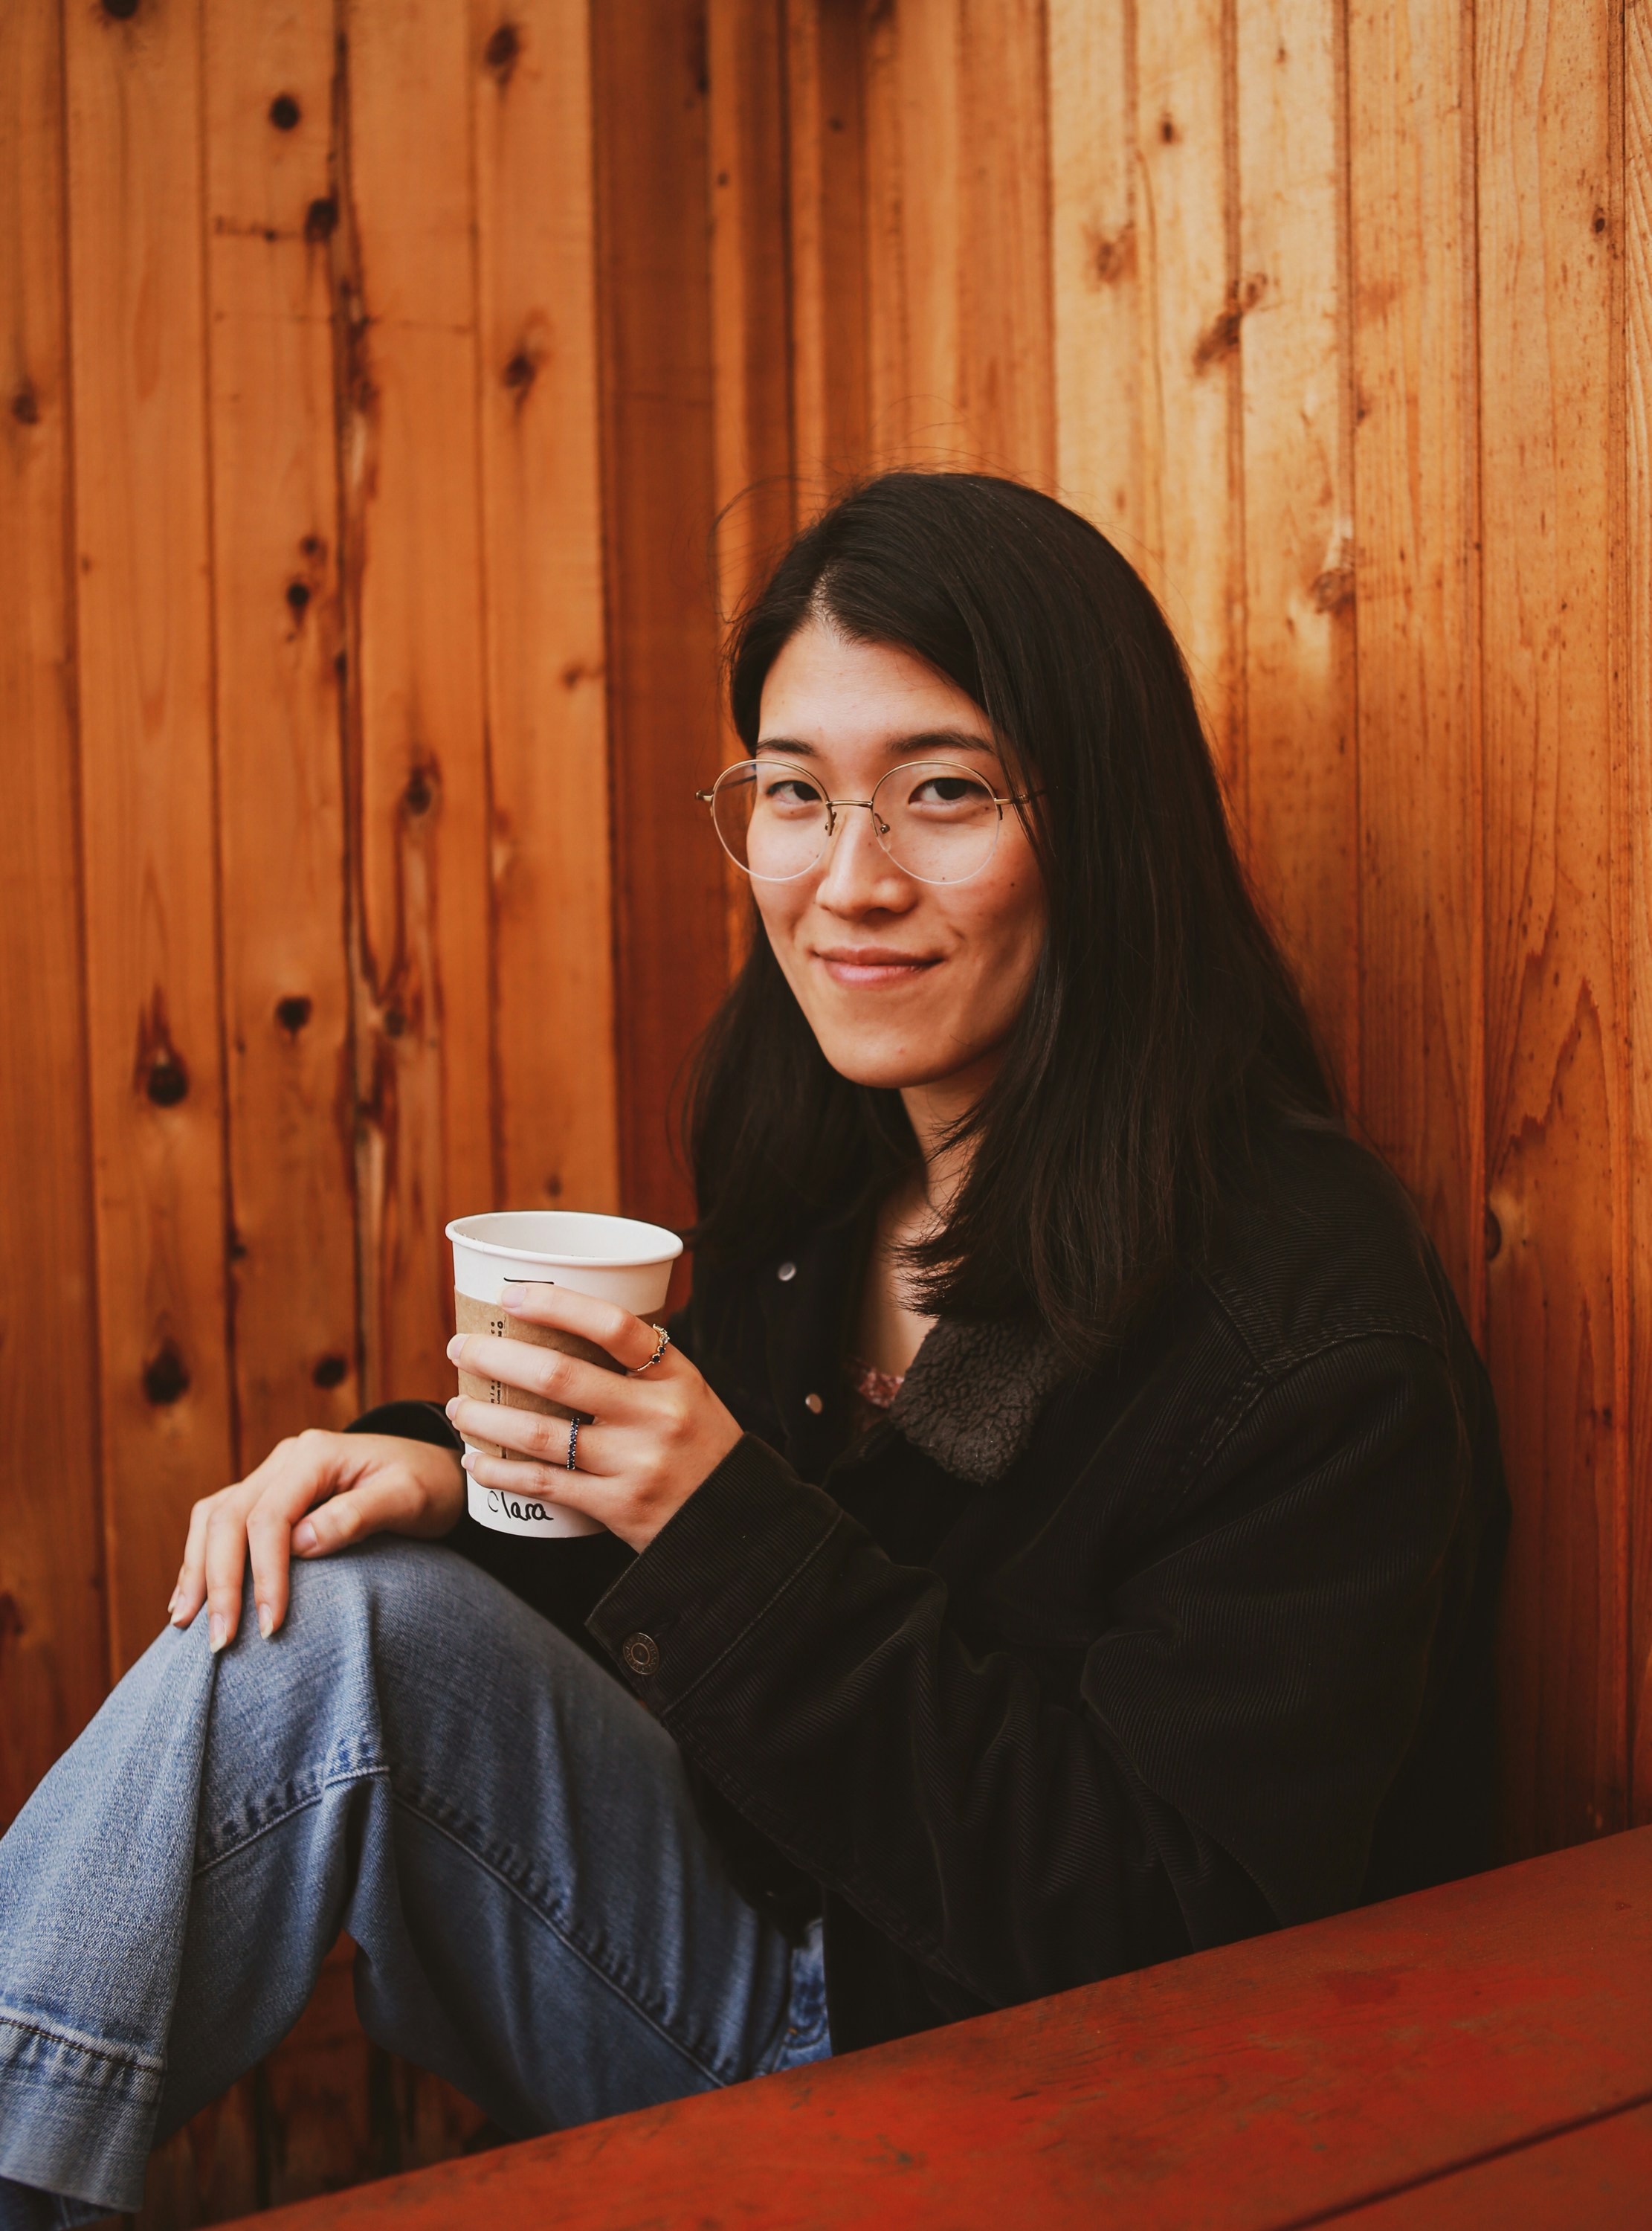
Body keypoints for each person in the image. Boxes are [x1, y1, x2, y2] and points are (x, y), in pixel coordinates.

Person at [0, 472, 1508, 2223]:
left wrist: (716, 1522)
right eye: (796, 796)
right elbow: (685, 1599)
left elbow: (1160, 1937)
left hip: (995, 2088)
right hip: (751, 1919)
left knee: (325, 1644)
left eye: (942, 794)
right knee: (324, 1593)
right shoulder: (834, 1180)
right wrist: (441, 1464)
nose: (846, 883)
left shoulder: (1300, 1338)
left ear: (1104, 823)